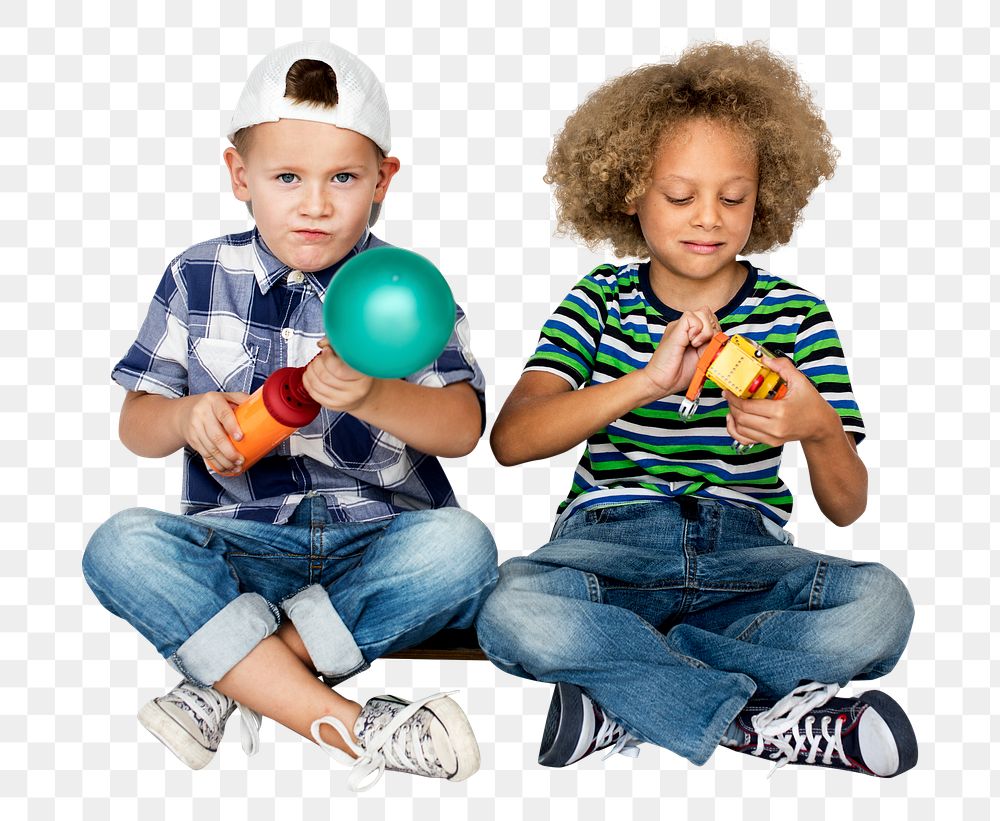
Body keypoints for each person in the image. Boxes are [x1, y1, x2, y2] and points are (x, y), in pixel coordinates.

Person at [475, 42, 917, 778]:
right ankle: (754, 721)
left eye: (733, 197)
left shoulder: (796, 315)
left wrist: (815, 426)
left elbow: (846, 505)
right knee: (511, 606)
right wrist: (645, 382)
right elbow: (513, 440)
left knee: (881, 606)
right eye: (680, 197)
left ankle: (632, 691)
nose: (708, 218)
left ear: (764, 194)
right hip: (607, 552)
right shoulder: (601, 302)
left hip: (750, 556)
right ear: (626, 191)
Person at [82, 42, 498, 792]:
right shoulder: (197, 275)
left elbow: (462, 428)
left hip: (375, 544)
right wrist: (184, 418)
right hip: (240, 547)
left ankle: (227, 677)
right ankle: (351, 724)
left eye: (343, 178)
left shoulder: (402, 289)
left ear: (383, 181)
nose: (315, 203)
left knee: (464, 547)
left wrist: (373, 394)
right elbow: (136, 424)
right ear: (240, 177)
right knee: (119, 545)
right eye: (286, 178)